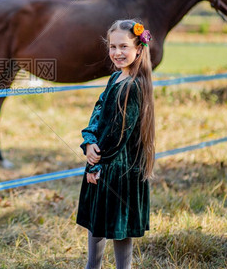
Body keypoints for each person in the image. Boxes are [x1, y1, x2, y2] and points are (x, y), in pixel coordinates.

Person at [77, 19, 155, 269]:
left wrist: (96, 165)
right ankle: (93, 266)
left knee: (120, 229)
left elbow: (118, 135)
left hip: (119, 170)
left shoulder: (135, 86)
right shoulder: (114, 79)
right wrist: (89, 142)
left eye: (124, 46)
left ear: (138, 49)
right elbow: (98, 112)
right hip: (103, 163)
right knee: (97, 221)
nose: (117, 53)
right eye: (112, 47)